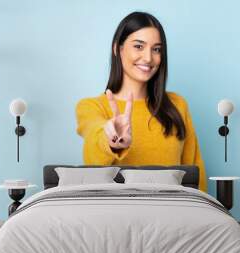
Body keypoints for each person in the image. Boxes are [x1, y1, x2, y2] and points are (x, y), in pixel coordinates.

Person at [76, 11, 207, 192]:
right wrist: (112, 139)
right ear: (117, 49)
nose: (148, 58)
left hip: (172, 215)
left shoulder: (178, 105)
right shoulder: (91, 107)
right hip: (118, 215)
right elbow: (93, 156)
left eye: (156, 49)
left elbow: (195, 175)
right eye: (138, 46)